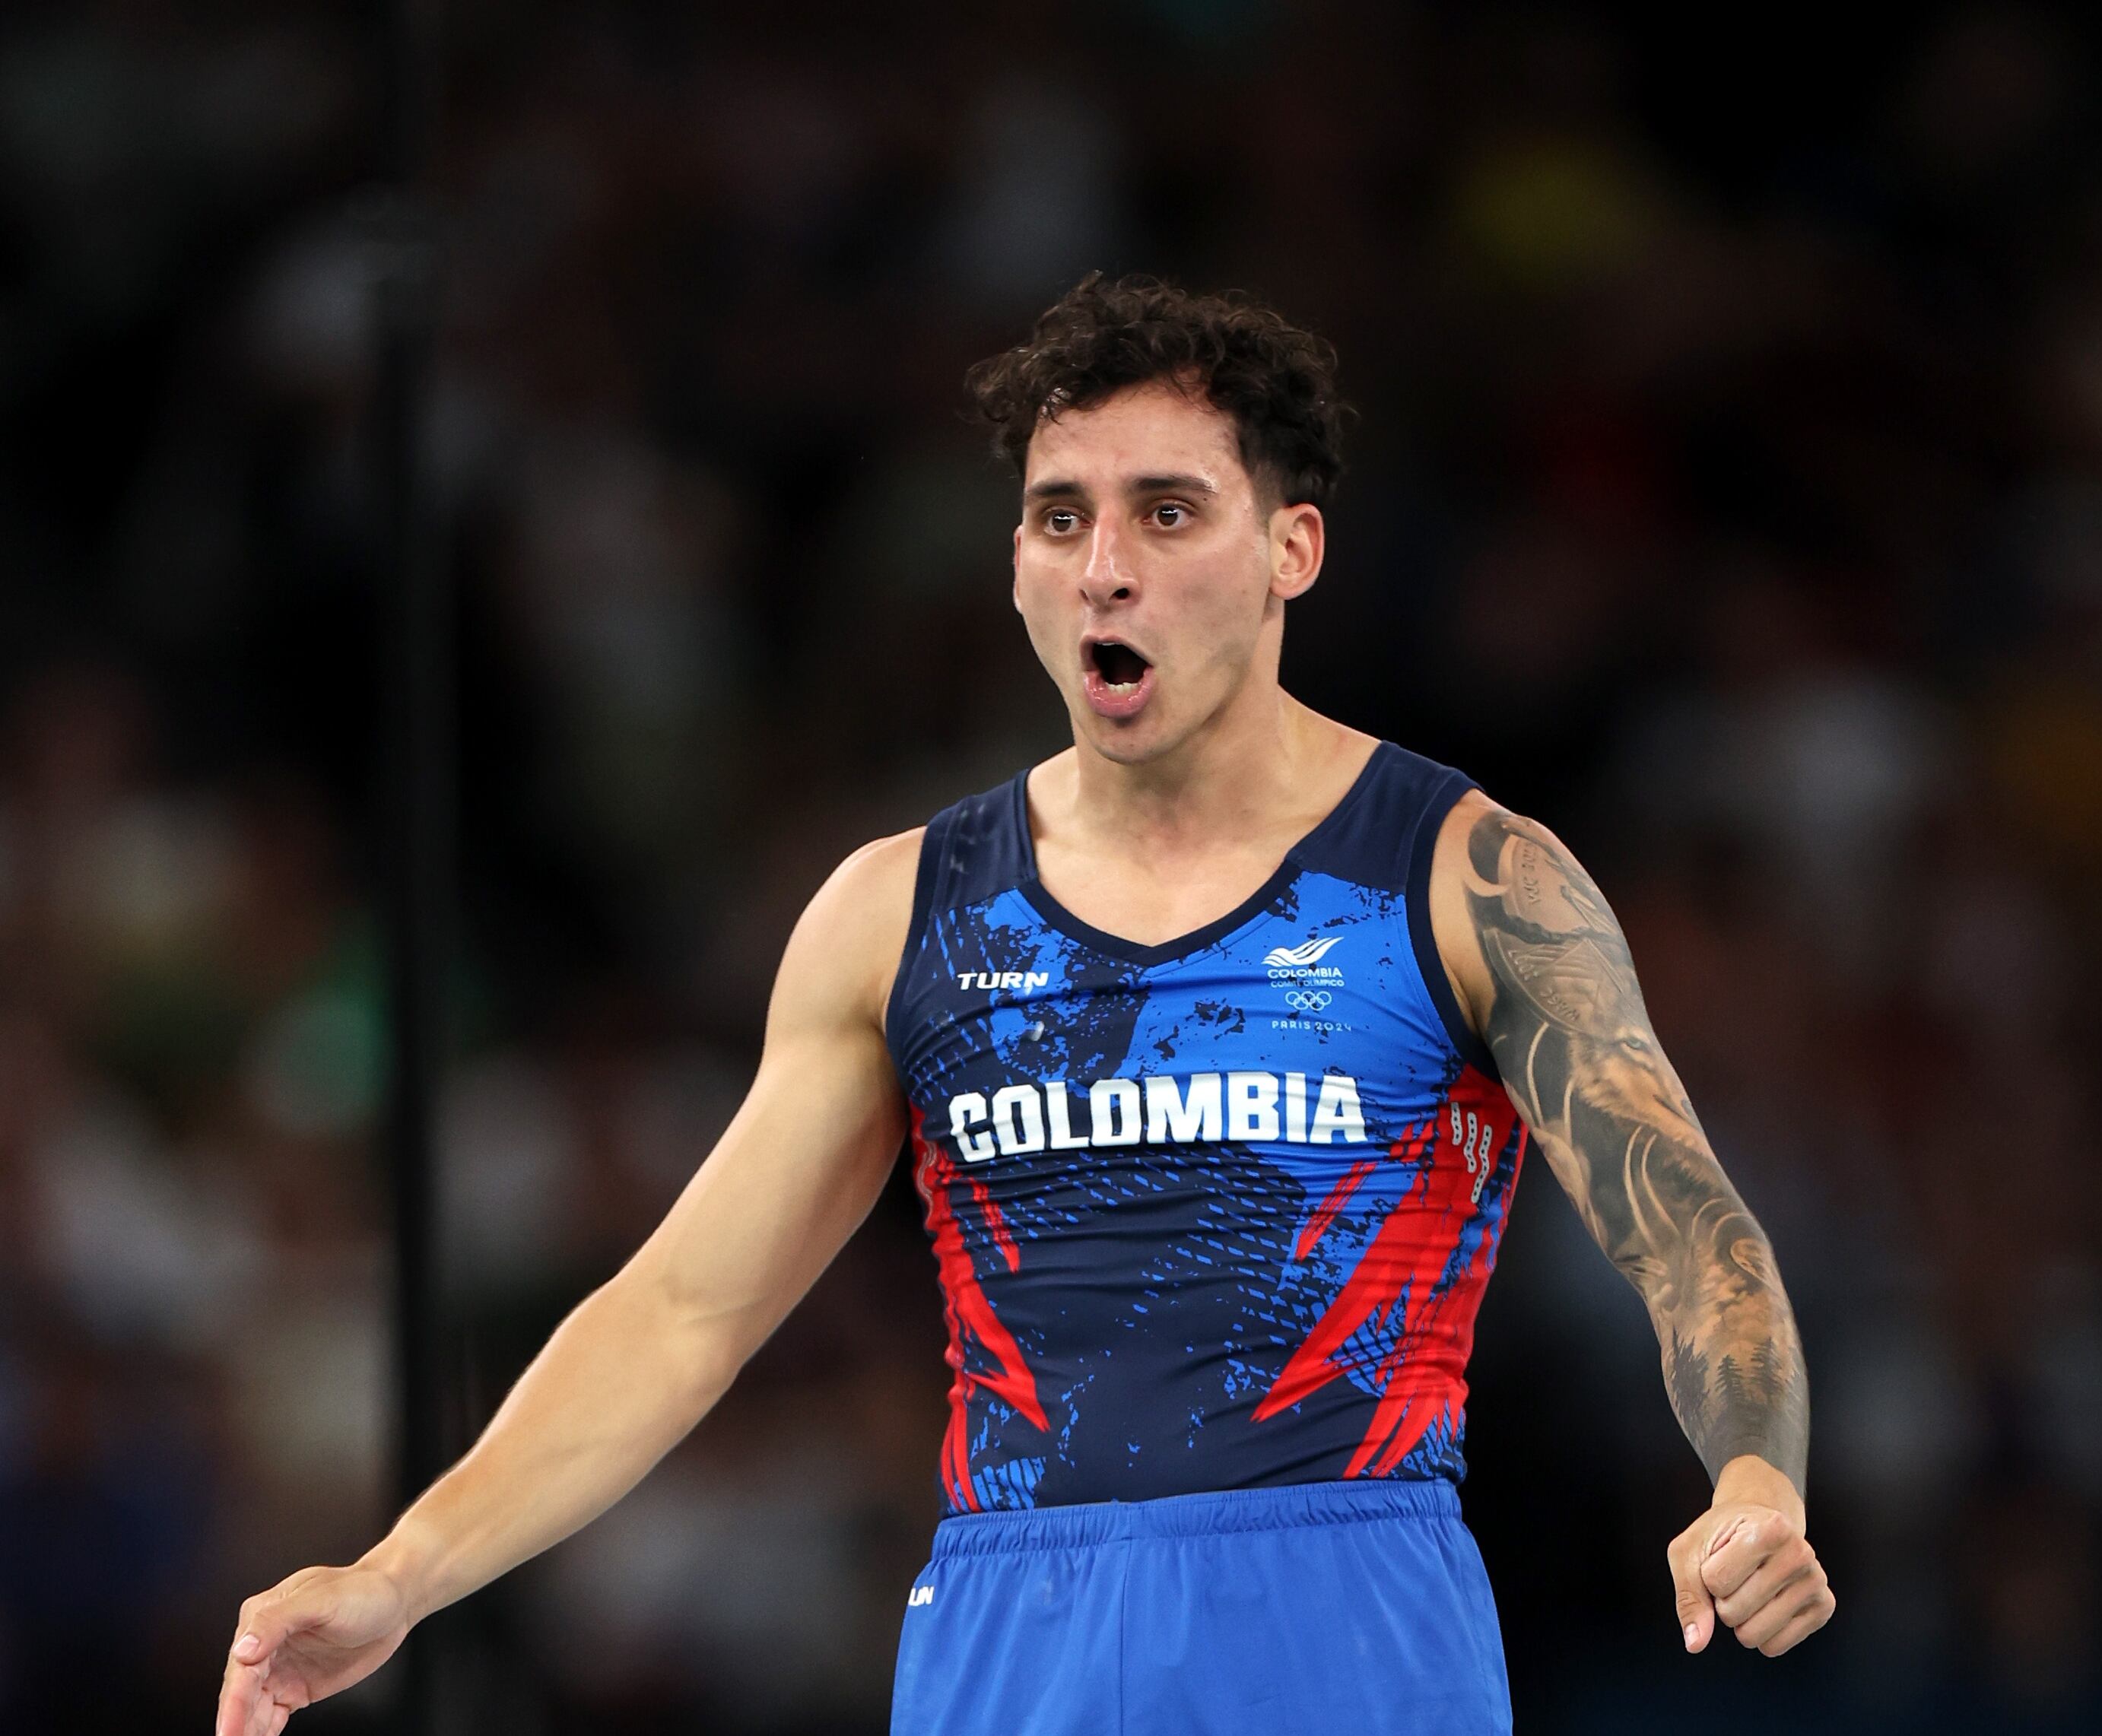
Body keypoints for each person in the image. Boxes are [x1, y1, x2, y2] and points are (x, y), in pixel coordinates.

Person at [218, 275, 1832, 1736]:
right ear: (1012, 563)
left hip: (1345, 1606)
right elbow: (682, 1310)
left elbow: (1685, 1223)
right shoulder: (896, 909)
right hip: (1013, 1630)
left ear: (1292, 548)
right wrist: (400, 1570)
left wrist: (1754, 1462)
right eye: (1059, 519)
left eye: (1167, 512)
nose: (1104, 566)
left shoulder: (1463, 875)